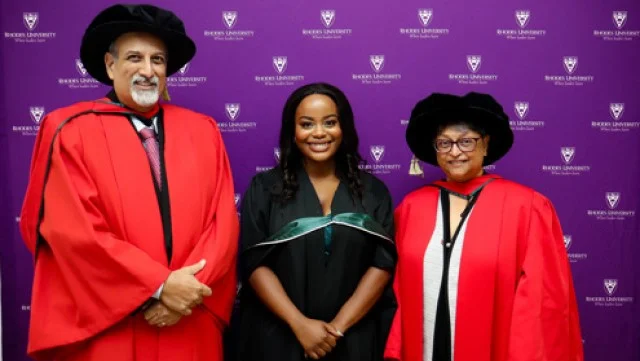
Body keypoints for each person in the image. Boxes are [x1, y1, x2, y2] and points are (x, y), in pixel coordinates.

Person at [19, 4, 239, 361]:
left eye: (158, 60)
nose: (147, 71)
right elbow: (75, 231)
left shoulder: (203, 130)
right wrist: (160, 286)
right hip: (112, 324)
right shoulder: (70, 130)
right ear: (110, 65)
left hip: (188, 317)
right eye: (134, 58)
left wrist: (187, 292)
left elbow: (222, 224)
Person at [384, 92, 584, 361]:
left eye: (466, 141)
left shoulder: (526, 206)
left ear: (486, 145)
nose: (455, 152)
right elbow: (398, 292)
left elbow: (542, 302)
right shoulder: (411, 207)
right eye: (444, 143)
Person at [235, 83, 397, 361]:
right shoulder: (265, 189)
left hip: (351, 338)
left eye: (330, 122)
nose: (319, 133)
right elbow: (254, 263)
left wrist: (336, 329)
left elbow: (381, 265)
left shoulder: (373, 192)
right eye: (307, 124)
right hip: (279, 337)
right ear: (293, 132)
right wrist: (299, 324)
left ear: (343, 127)